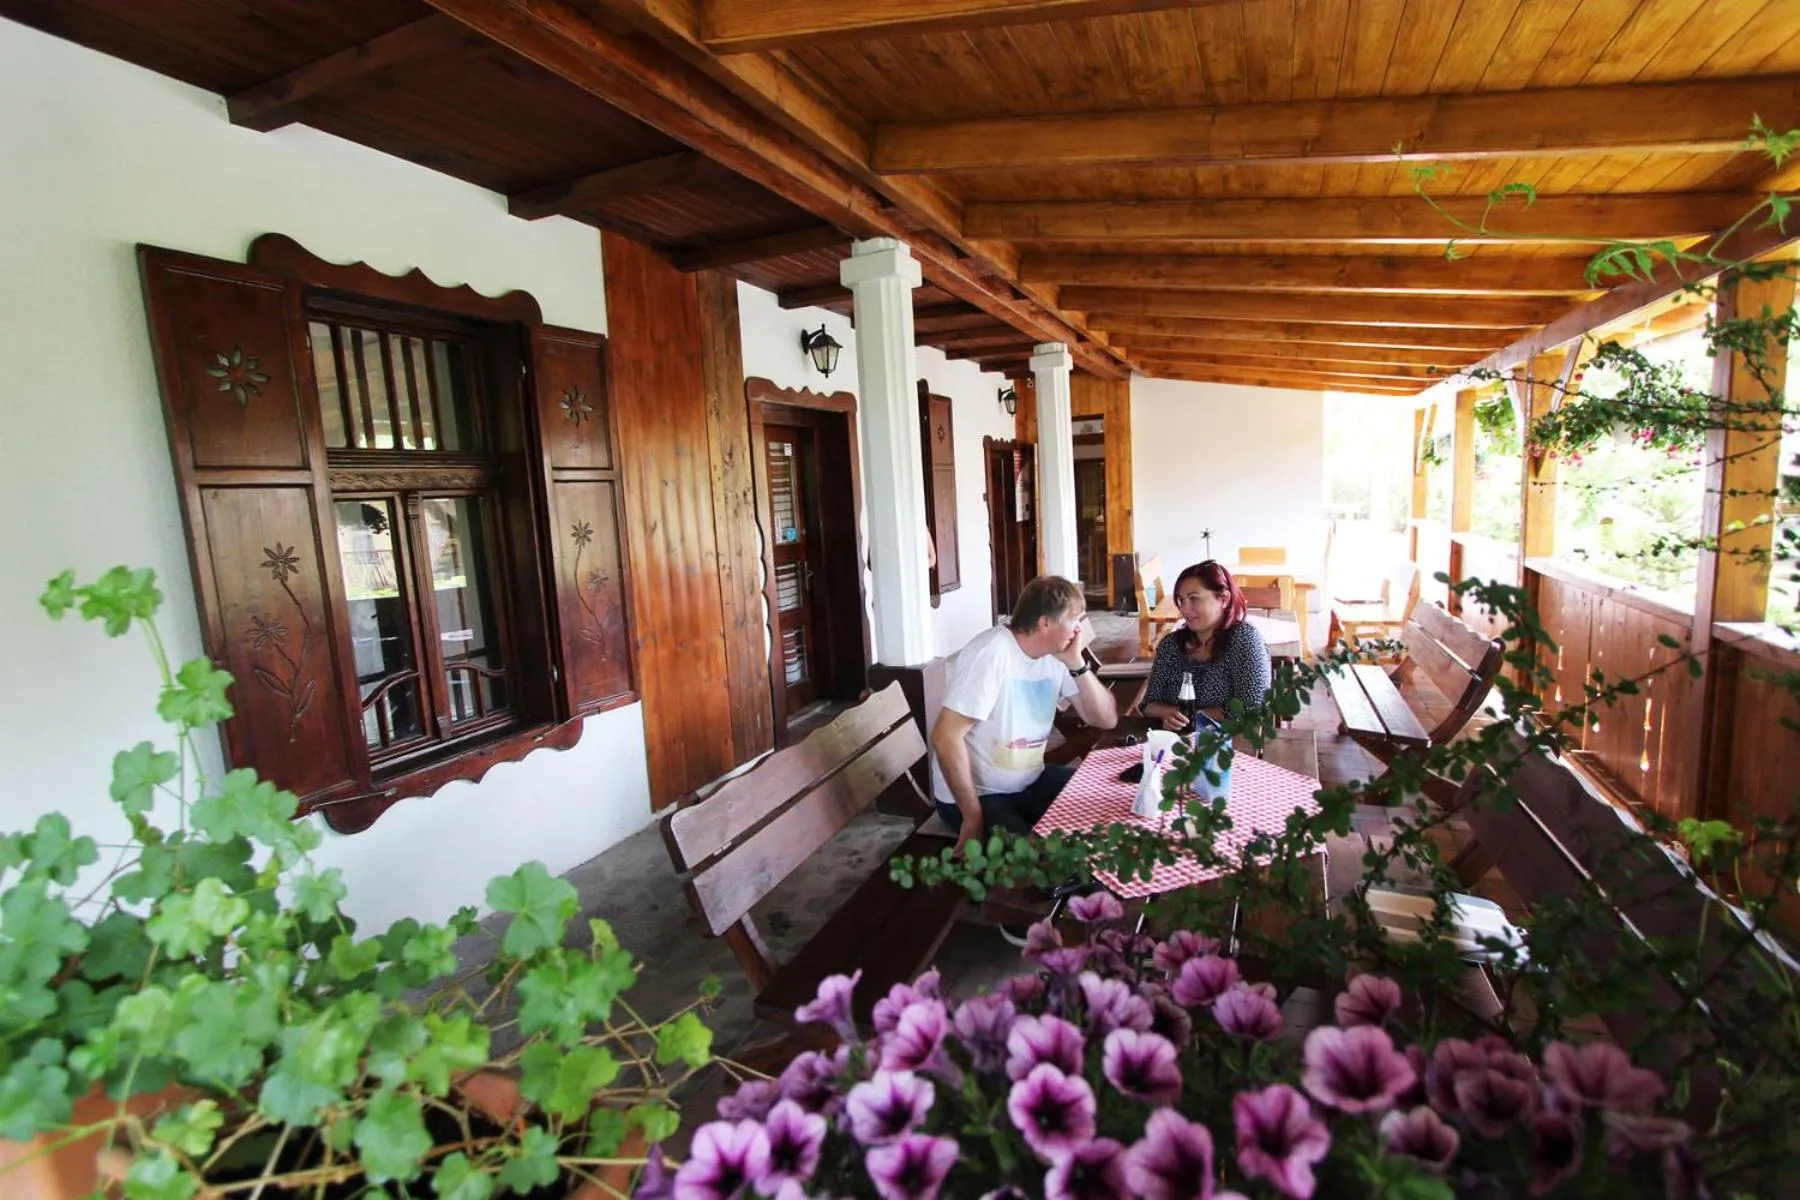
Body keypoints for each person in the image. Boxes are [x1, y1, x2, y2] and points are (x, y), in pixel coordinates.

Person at [930, 575, 1119, 855]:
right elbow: (945, 738)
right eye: (1074, 619)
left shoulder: (1057, 655)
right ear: (1045, 623)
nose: (1078, 630)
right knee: (1043, 863)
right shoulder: (992, 652)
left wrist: (1077, 664)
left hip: (1030, 779)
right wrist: (971, 817)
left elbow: (1105, 720)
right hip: (981, 795)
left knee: (1112, 806)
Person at [1141, 560, 1272, 730]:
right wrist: (1170, 715)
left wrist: (1193, 718)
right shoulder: (1171, 645)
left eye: (1194, 599)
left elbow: (1253, 707)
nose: (1185, 610)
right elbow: (1148, 704)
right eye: (1181, 600)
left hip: (1229, 742)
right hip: (1175, 742)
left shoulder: (1245, 641)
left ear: (1224, 599)